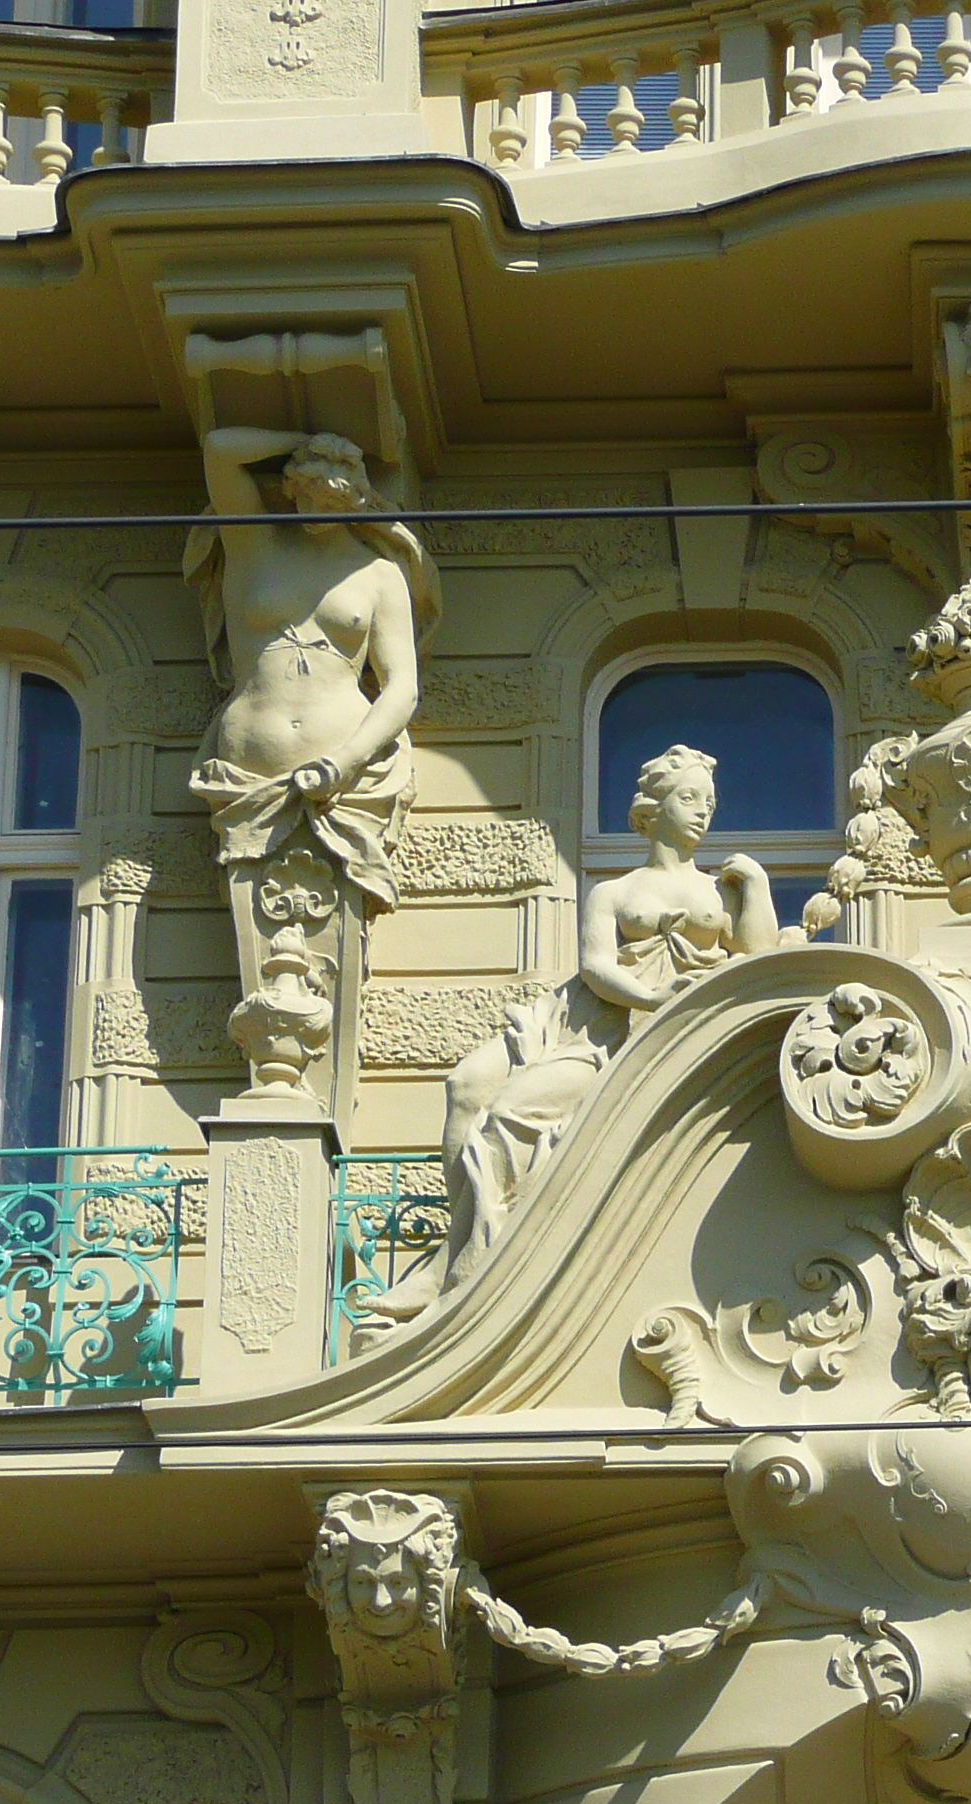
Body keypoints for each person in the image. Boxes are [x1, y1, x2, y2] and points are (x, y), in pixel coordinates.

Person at [381, 746, 779, 1316]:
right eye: (689, 798)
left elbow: (756, 959)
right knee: (472, 1088)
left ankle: (458, 1265)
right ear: (655, 806)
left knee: (510, 1109)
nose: (703, 812)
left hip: (669, 1039)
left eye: (710, 802)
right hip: (603, 1030)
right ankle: (456, 1254)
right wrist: (652, 994)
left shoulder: (720, 892)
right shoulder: (613, 892)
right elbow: (597, 967)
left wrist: (759, 886)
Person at [184, 428, 431, 1094]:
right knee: (260, 941)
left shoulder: (380, 575)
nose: (316, 506)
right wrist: (310, 438)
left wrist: (348, 761)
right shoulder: (253, 542)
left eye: (333, 492)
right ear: (289, 487)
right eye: (306, 489)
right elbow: (220, 448)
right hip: (248, 774)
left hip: (343, 778)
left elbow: (402, 684)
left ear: (357, 497)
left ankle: (309, 1089)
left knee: (327, 948)